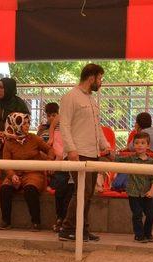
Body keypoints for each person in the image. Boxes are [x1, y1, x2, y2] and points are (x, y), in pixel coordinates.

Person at [58, 63, 113, 242]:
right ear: (91, 78)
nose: (101, 82)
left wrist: (105, 146)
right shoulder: (70, 97)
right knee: (82, 192)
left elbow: (97, 127)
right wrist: (71, 149)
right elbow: (64, 125)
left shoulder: (91, 100)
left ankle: (82, 229)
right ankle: (67, 228)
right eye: (100, 78)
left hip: (92, 153)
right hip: (78, 153)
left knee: (88, 193)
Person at [0, 112, 55, 231]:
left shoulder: (34, 138)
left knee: (30, 190)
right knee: (4, 190)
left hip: (33, 173)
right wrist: (12, 175)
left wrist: (50, 162)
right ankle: (6, 222)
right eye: (24, 123)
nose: (27, 125)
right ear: (15, 125)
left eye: (28, 123)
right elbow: (6, 163)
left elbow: (50, 150)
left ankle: (36, 222)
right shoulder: (8, 143)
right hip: (15, 173)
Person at [116, 132, 153, 242]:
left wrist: (152, 190)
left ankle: (147, 233)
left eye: (143, 143)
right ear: (133, 145)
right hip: (134, 193)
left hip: (147, 193)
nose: (139, 145)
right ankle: (139, 235)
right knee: (137, 214)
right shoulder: (130, 159)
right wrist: (112, 153)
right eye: (137, 143)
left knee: (151, 213)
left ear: (148, 146)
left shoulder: (151, 162)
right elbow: (117, 160)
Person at [42, 102, 74, 232]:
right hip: (59, 162)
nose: (52, 118)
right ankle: (60, 218)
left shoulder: (72, 121)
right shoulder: (54, 125)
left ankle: (66, 220)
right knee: (60, 192)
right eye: (49, 115)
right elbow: (52, 133)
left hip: (69, 162)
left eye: (53, 114)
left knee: (69, 193)